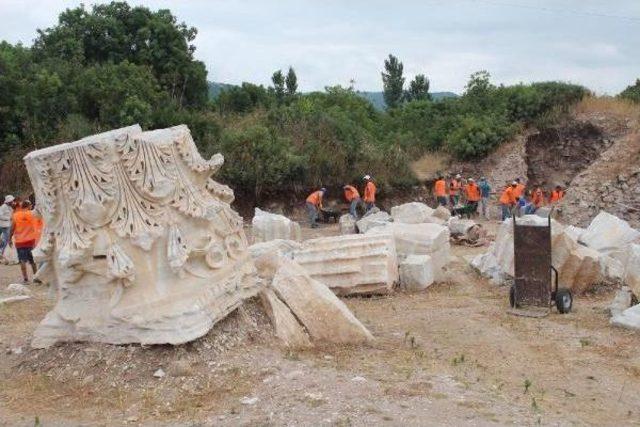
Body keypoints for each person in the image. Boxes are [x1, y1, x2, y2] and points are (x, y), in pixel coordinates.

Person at [9, 200, 39, 283]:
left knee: (22, 260)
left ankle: (25, 279)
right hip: (31, 241)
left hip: (20, 241)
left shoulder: (16, 215)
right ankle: (36, 277)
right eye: (30, 205)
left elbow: (12, 228)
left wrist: (9, 239)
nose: (31, 206)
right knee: (32, 260)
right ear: (28, 206)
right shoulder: (32, 214)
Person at [0, 195, 14, 260]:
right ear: (9, 201)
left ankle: (1, 253)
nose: (13, 202)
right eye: (12, 201)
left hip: (9, 225)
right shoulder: (3, 207)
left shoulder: (10, 207)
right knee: (6, 240)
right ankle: (1, 253)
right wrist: (8, 218)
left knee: (4, 240)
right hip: (4, 225)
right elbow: (0, 216)